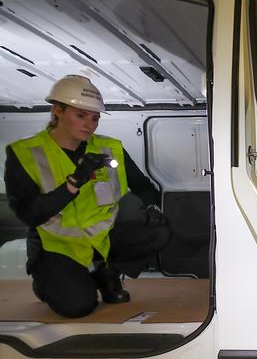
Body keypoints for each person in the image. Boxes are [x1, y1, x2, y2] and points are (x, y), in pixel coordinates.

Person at [4, 74, 171, 318]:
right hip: (56, 243)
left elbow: (143, 186)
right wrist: (74, 183)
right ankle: (45, 282)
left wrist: (153, 208)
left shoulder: (108, 148)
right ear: (57, 111)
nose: (89, 125)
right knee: (78, 306)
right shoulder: (25, 153)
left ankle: (105, 270)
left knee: (159, 232)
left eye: (95, 118)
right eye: (80, 116)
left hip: (101, 238)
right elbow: (29, 214)